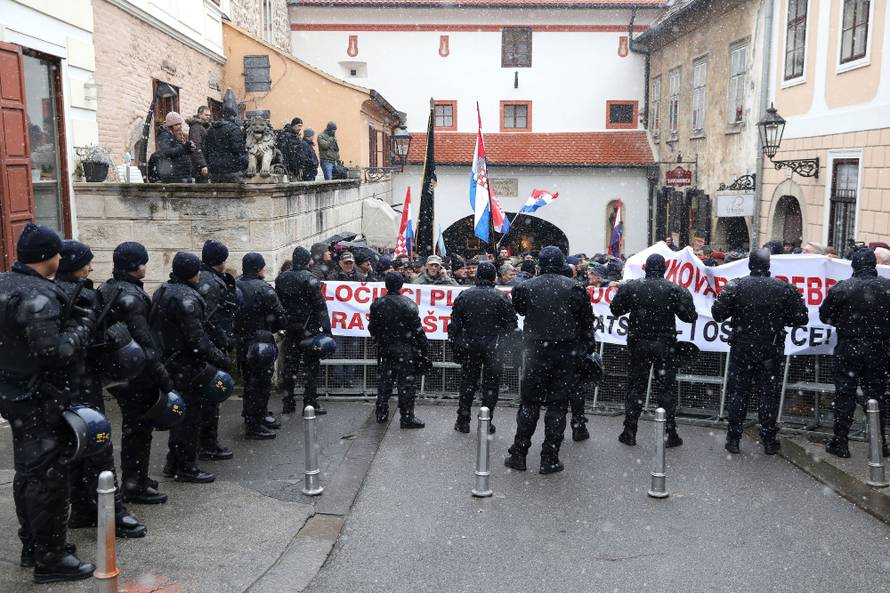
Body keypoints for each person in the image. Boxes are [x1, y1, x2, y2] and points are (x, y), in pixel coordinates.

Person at [0, 223, 95, 582]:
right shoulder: (39, 296)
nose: (60, 258)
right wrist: (82, 326)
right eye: (56, 253)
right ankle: (51, 558)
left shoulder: (5, 284)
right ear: (45, 257)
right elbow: (55, 353)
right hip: (39, 397)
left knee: (27, 472)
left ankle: (33, 545)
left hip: (13, 393)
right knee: (48, 478)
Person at [55, 241, 146, 540]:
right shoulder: (81, 297)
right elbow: (89, 340)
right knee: (98, 447)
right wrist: (113, 337)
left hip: (61, 386)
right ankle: (113, 513)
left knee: (73, 448)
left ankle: (81, 508)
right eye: (86, 263)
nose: (91, 268)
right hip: (81, 384)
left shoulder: (52, 293)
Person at [505, 246, 597, 474]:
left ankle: (519, 452)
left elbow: (522, 310)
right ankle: (549, 457)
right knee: (557, 407)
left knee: (529, 404)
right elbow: (587, 324)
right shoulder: (576, 289)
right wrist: (586, 350)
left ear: (540, 264)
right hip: (565, 354)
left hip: (537, 351)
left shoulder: (524, 288)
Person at [711, 248, 808, 455]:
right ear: (768, 265)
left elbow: (718, 313)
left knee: (739, 392)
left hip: (743, 347)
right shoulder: (783, 288)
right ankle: (769, 440)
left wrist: (738, 312)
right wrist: (780, 319)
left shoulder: (737, 285)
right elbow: (801, 317)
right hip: (770, 348)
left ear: (750, 265)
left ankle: (734, 439)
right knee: (768, 394)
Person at [99, 242, 171, 506]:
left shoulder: (108, 288)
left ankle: (137, 478)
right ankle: (135, 484)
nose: (146, 267)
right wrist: (164, 378)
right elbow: (145, 343)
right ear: (135, 265)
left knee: (136, 428)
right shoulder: (130, 297)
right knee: (138, 429)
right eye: (143, 262)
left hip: (120, 371)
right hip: (135, 373)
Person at [155, 252, 231, 483]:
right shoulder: (188, 298)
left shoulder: (163, 290)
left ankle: (173, 462)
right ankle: (186, 466)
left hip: (169, 361)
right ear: (192, 273)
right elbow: (197, 340)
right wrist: (220, 358)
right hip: (186, 365)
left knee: (179, 414)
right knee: (189, 417)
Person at [609, 254, 697, 447]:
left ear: (646, 268)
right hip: (664, 345)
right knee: (666, 389)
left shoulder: (632, 287)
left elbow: (615, 309)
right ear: (663, 269)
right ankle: (669, 432)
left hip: (639, 343)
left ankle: (629, 431)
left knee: (635, 387)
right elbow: (690, 316)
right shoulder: (673, 289)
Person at [819, 248, 890, 458]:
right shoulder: (887, 288)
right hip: (879, 349)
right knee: (876, 396)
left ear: (854, 265)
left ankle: (840, 442)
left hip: (849, 348)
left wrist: (844, 324)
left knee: (845, 395)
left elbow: (825, 316)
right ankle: (880, 443)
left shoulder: (843, 288)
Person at [448, 262, 517, 433]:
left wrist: (456, 347)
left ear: (478, 276)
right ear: (494, 277)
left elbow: (454, 326)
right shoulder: (501, 297)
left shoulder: (465, 296)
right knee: (491, 386)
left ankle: (463, 420)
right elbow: (511, 326)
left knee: (468, 383)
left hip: (471, 346)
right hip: (494, 348)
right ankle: (486, 422)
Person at [234, 253, 287, 439]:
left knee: (250, 381)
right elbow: (279, 317)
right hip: (259, 340)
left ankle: (256, 416)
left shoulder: (235, 284)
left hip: (242, 340)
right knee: (260, 383)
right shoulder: (264, 289)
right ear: (258, 268)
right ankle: (254, 423)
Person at [276, 246, 332, 415]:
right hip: (309, 329)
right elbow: (320, 307)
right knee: (311, 368)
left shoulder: (282, 278)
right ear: (307, 260)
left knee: (290, 367)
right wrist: (327, 330)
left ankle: (288, 402)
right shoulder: (311, 279)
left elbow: (278, 303)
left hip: (291, 328)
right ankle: (310, 402)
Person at [369, 273, 428, 428]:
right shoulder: (408, 304)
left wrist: (379, 341)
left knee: (385, 381)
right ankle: (407, 417)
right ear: (401, 285)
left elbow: (372, 328)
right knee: (406, 384)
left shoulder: (378, 303)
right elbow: (418, 330)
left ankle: (381, 412)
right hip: (405, 349)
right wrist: (424, 348)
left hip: (386, 348)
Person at [196, 240, 237, 461]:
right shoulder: (210, 283)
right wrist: (222, 343)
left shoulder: (199, 277)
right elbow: (210, 320)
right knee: (210, 398)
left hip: (201, 349)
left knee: (203, 401)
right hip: (209, 349)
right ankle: (208, 444)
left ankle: (200, 445)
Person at [203, 92, 248, 183]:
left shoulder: (211, 129)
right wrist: (245, 164)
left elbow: (206, 150)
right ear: (233, 116)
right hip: (231, 170)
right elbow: (238, 150)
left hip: (214, 170)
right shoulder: (234, 129)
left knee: (218, 195)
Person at [155, 112, 195, 183]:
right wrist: (184, 148)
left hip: (183, 173)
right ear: (171, 126)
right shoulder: (164, 135)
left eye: (180, 124)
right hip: (174, 175)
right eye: (176, 124)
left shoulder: (178, 134)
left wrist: (189, 149)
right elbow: (167, 152)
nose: (179, 126)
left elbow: (181, 151)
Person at [187, 106, 211, 183]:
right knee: (203, 189)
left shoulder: (202, 126)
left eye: (209, 115)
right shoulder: (195, 127)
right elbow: (196, 147)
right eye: (206, 115)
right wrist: (202, 165)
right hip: (200, 166)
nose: (208, 117)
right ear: (199, 114)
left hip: (203, 163)